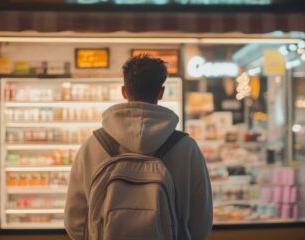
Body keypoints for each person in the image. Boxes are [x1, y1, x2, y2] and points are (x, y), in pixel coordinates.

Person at [64, 55, 213, 240]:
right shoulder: (187, 148)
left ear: (124, 91)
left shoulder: (92, 145)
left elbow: (74, 220)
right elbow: (202, 221)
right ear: (161, 92)